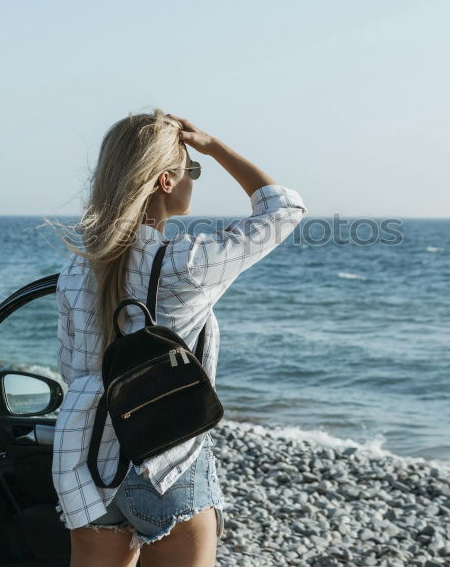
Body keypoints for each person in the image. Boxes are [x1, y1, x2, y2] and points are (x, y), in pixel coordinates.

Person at [51, 109, 306, 567]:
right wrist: (213, 145)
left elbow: (73, 369)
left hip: (84, 460)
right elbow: (283, 208)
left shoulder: (76, 267)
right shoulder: (188, 263)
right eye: (192, 169)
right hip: (165, 462)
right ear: (167, 181)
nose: (194, 178)